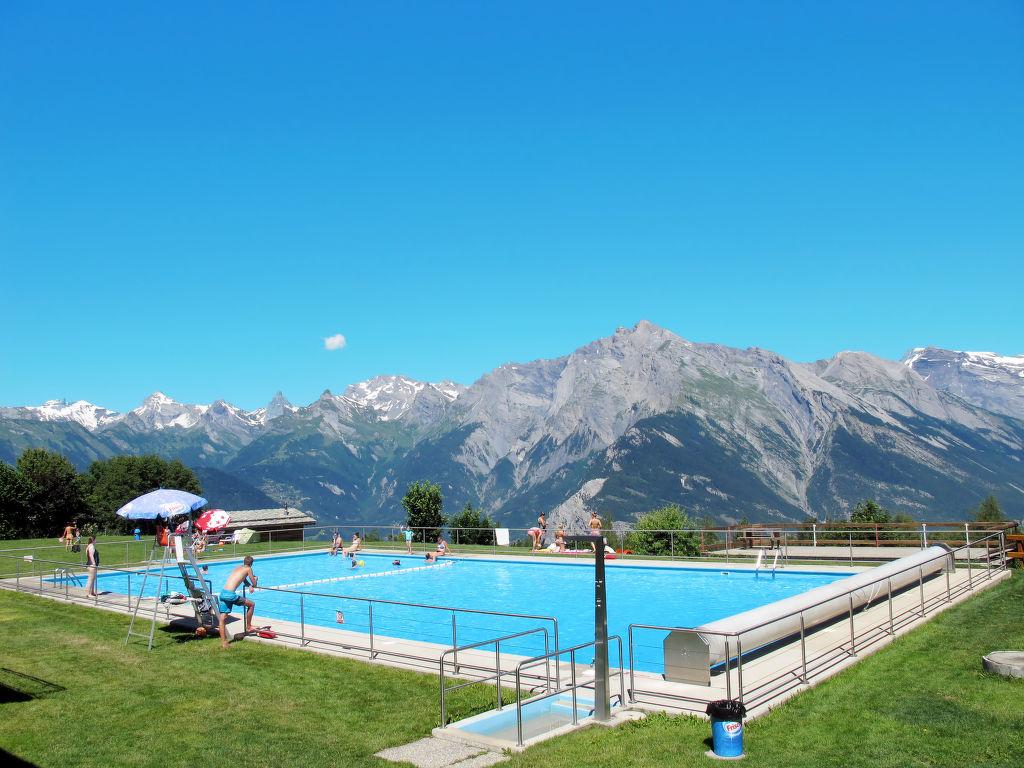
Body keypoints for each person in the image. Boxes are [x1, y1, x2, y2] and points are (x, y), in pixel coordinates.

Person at [218, 556, 257, 649]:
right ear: (251, 564)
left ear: (244, 562)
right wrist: (255, 580)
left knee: (222, 619)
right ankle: (248, 626)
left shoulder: (238, 567)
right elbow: (255, 584)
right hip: (231, 595)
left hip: (223, 593)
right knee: (251, 604)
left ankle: (224, 643)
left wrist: (248, 586)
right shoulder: (249, 568)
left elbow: (243, 579)